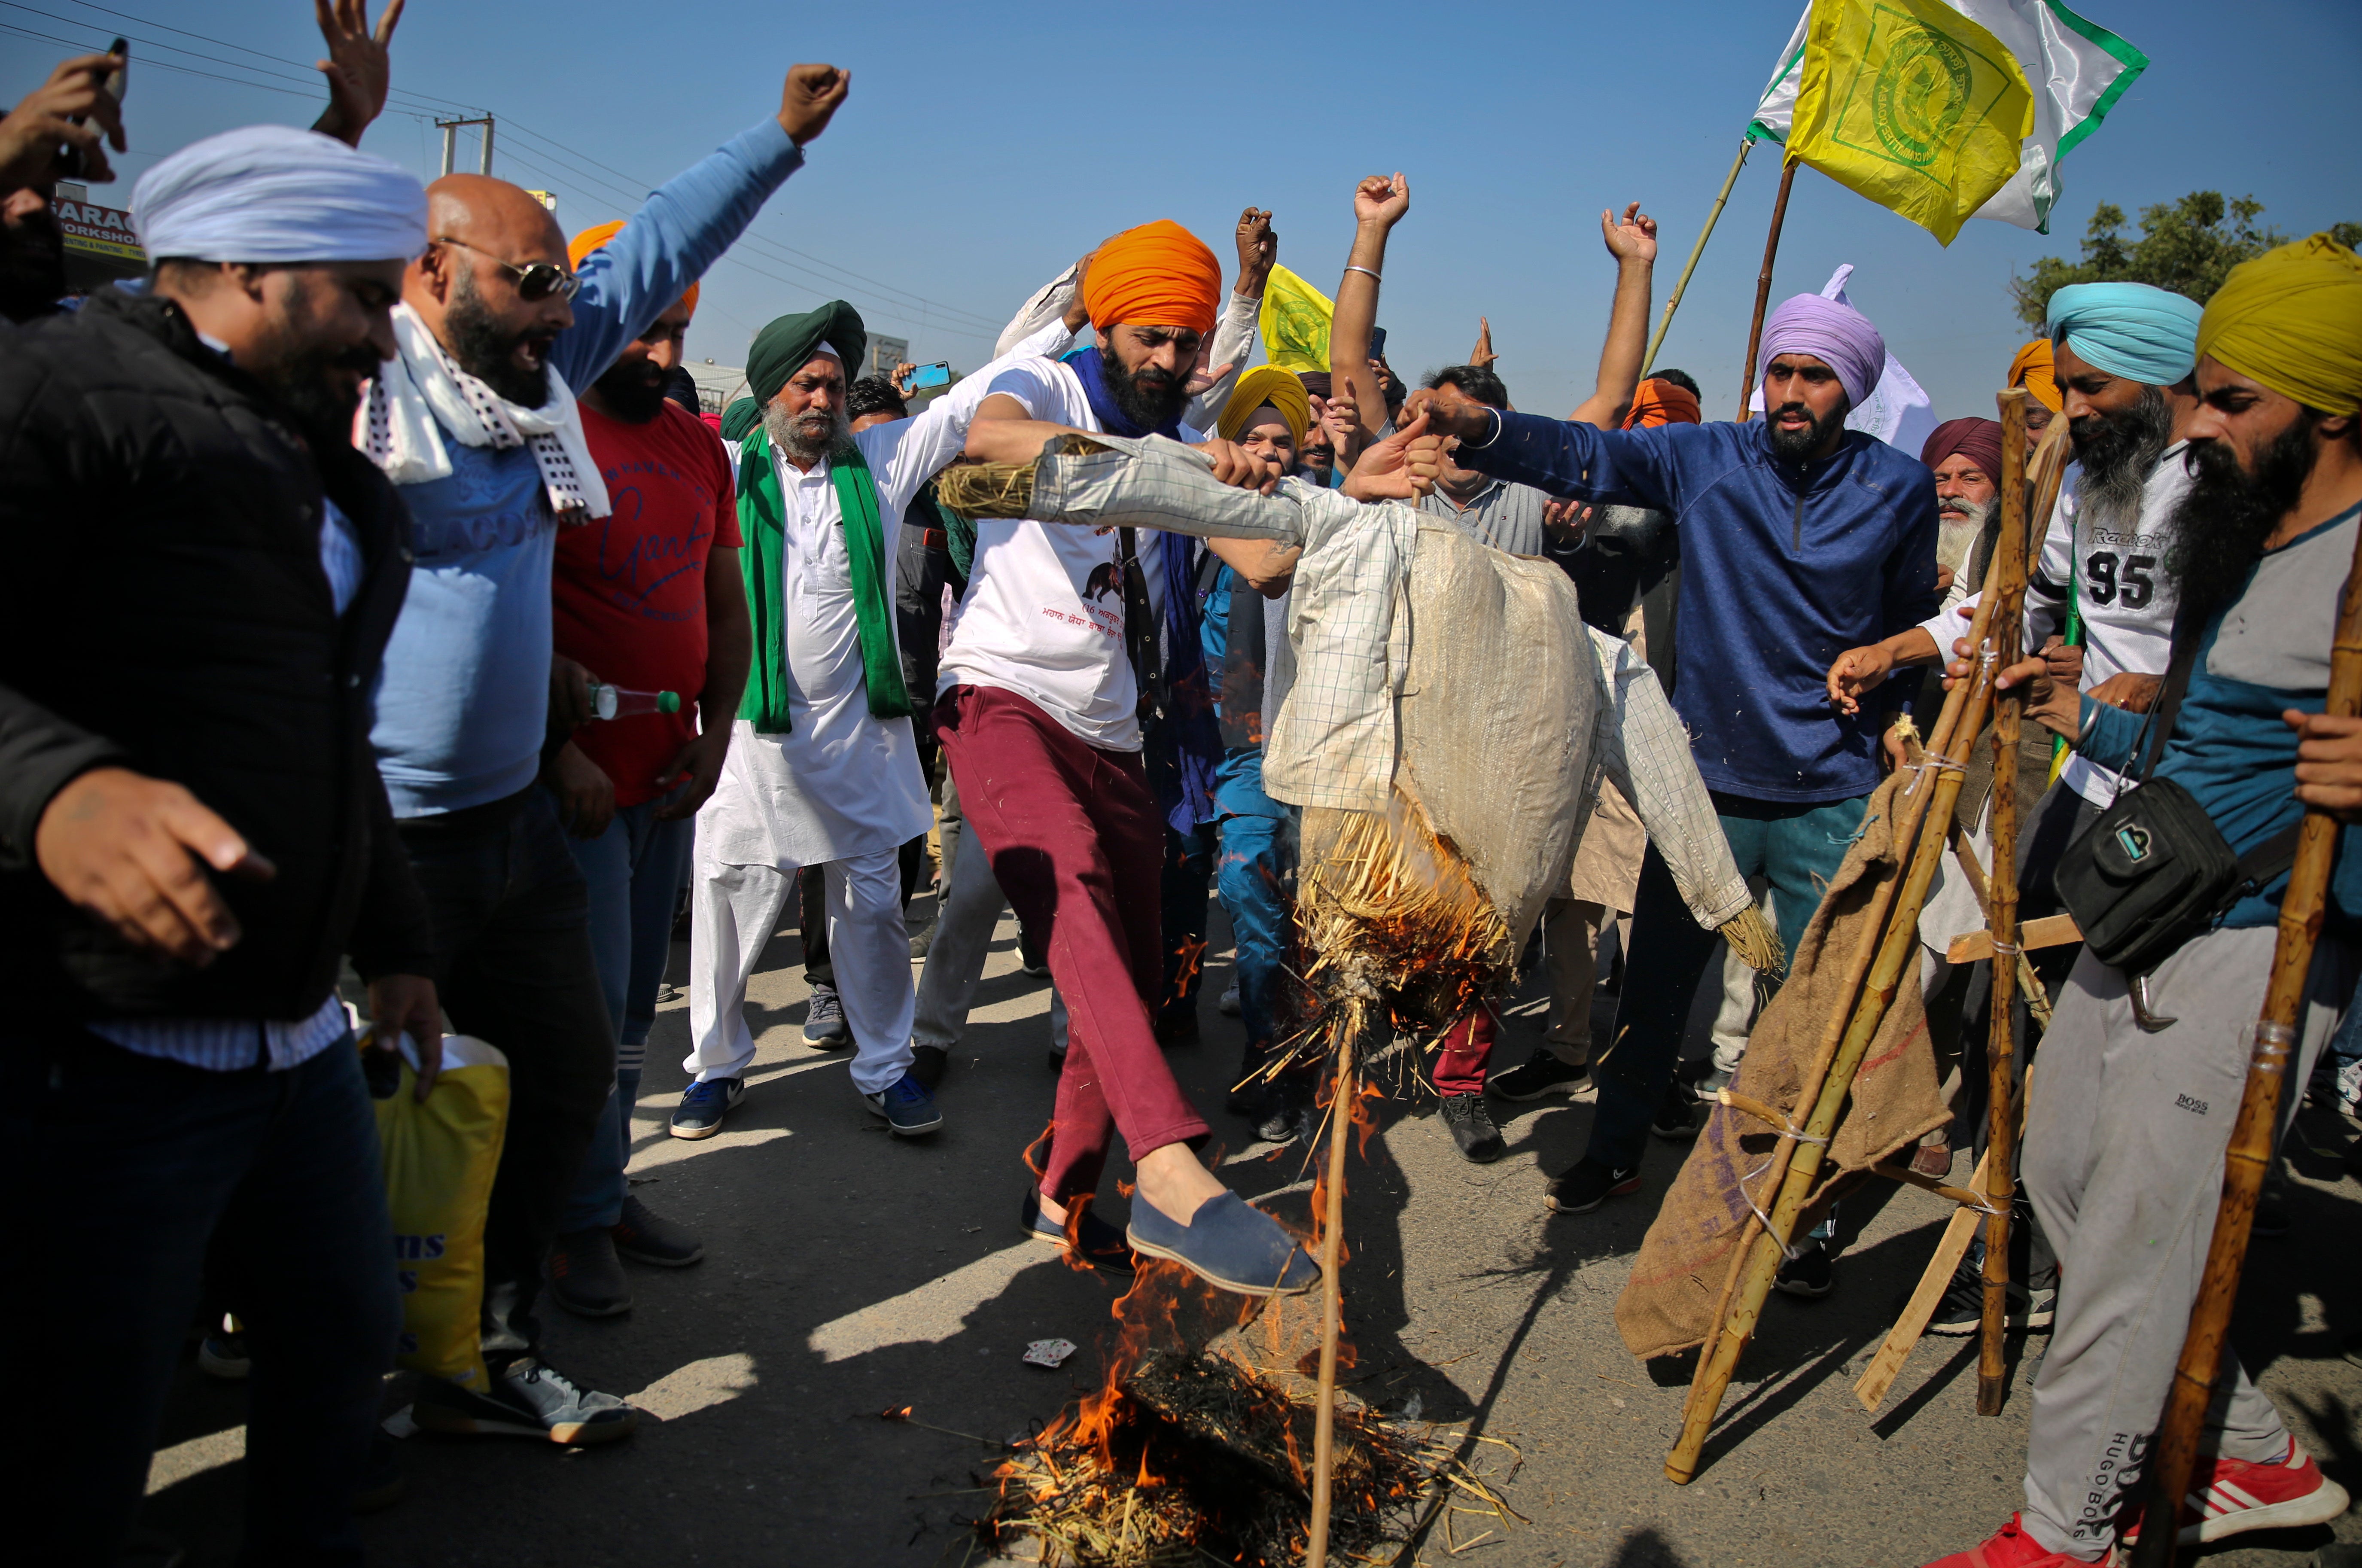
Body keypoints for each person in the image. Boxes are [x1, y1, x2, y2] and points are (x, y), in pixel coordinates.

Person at [358, 60, 851, 1446]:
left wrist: (778, 141)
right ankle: (350, 1386)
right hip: (383, 844)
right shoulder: (361, 396)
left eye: (561, 293)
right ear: (428, 272)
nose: (564, 314)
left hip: (515, 826)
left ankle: (494, 1347)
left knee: (568, 1076)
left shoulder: (534, 378)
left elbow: (650, 253)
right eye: (529, 284)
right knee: (367, 1124)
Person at [0, 122, 434, 1562]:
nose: (387, 336)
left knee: (340, 1343)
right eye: (369, 296)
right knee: (85, 1423)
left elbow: (328, 739)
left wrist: (400, 948)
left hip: (295, 1044)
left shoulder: (330, 475)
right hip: (104, 1054)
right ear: (251, 265)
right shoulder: (60, 394)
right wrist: (57, 792)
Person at [1925, 233, 2362, 1568]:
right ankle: (2247, 1448)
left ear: (2334, 410)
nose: (2195, 427)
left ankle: (2062, 1536)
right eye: (2195, 395)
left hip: (2260, 942)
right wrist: (2086, 721)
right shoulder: (2234, 531)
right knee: (2059, 1175)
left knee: (2127, 1240)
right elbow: (2197, 740)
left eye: (2235, 403)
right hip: (2146, 903)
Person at [1404, 291, 1939, 1285]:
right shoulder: (1704, 461)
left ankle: (1805, 1213)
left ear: (1850, 390)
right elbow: (1586, 455)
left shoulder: (1897, 487)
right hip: (1705, 786)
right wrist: (1477, 425)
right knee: (1651, 990)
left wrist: (1895, 688)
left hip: (1832, 787)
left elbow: (1914, 614)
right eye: (1778, 372)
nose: (1789, 393)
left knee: (1813, 1012)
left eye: (1812, 377)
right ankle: (1611, 1152)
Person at [946, 218, 1320, 1295]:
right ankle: (1166, 1169)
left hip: (1116, 728)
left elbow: (1263, 560)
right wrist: (1172, 465)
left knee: (1138, 962)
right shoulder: (1048, 382)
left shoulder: (1186, 424)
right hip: (1001, 695)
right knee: (1066, 899)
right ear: (1108, 327)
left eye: (1183, 344)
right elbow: (992, 444)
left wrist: (1332, 501)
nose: (1165, 360)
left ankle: (1061, 1189)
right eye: (1149, 338)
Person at [682, 301, 1080, 1140]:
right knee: (727, 901)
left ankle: (885, 1067)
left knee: (870, 911)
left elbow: (966, 402)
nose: (822, 398)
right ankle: (715, 1067)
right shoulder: (724, 469)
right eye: (805, 384)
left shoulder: (878, 464)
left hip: (860, 745)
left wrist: (1064, 317)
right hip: (754, 752)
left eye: (832, 383)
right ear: (770, 391)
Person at [538, 218, 750, 1315]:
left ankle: (604, 1191)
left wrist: (716, 735)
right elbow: (497, 600)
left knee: (632, 1009)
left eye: (676, 333)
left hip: (668, 773)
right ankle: (570, 1226)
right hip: (572, 783)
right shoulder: (538, 429)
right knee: (584, 1008)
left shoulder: (697, 444)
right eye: (641, 330)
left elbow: (725, 603)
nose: (663, 357)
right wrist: (557, 742)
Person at [1491, 373, 1702, 1109]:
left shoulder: (1706, 529)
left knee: (1660, 913)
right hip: (1580, 733)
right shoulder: (1578, 523)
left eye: (1662, 435)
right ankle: (1566, 1046)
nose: (1645, 449)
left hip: (1671, 745)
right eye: (1635, 435)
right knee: (1573, 902)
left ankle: (1651, 1065)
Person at [0, 2, 398, 324]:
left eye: (43, 191)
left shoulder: (93, 347)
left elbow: (234, 255)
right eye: (6, 190)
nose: (35, 206)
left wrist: (343, 127)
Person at [1204, 368, 1313, 1141]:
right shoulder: (1203, 528)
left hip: (1318, 758)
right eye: (1257, 440)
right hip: (1239, 754)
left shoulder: (1328, 523)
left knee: (1306, 923)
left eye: (1285, 442)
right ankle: (1267, 1056)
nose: (1271, 454)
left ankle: (1290, 1071)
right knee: (1248, 898)